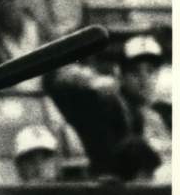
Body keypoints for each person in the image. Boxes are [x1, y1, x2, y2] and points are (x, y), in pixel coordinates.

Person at [44, 34, 171, 179]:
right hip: (110, 192)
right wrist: (92, 80)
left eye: (151, 71)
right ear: (120, 74)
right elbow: (53, 78)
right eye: (135, 71)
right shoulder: (108, 102)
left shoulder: (158, 112)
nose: (144, 79)